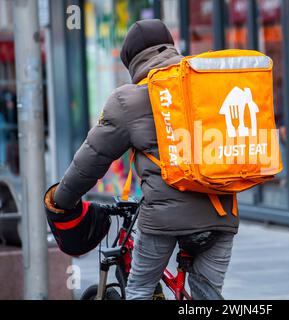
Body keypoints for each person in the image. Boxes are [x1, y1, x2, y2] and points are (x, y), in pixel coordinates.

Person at [43, 20, 238, 299]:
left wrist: (61, 200)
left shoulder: (128, 100)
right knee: (208, 296)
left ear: (132, 60)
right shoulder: (205, 85)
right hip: (222, 211)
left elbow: (92, 159)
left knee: (140, 289)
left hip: (164, 218)